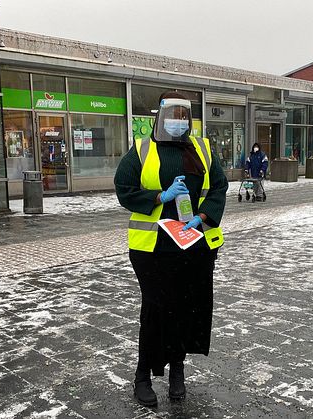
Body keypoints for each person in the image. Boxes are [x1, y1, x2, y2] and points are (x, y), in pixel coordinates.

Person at [114, 92, 228, 407]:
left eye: (184, 114)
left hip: (194, 244)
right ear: (160, 116)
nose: (178, 120)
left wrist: (202, 216)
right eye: (172, 114)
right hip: (152, 248)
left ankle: (177, 370)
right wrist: (159, 197)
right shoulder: (142, 148)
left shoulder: (202, 148)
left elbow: (219, 186)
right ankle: (143, 375)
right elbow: (124, 188)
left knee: (185, 309)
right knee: (154, 310)